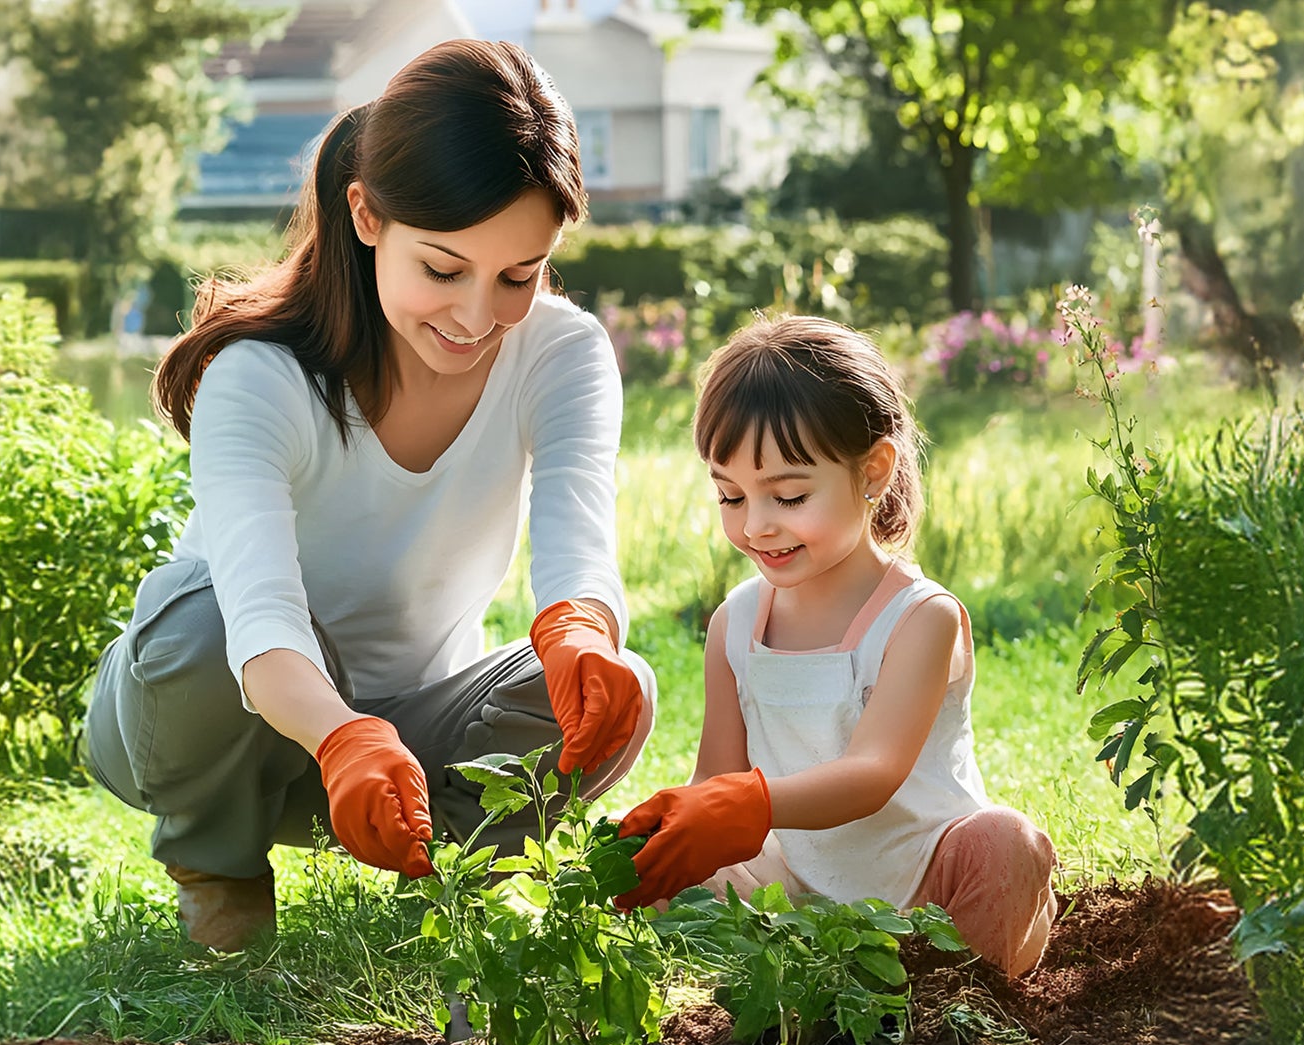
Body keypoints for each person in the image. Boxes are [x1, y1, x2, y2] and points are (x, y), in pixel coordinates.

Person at [83, 39, 655, 952]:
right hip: (219, 723)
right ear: (366, 215)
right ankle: (218, 871)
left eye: (519, 275)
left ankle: (461, 881)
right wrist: (341, 734)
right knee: (199, 622)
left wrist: (583, 631)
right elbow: (261, 625)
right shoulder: (259, 376)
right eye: (443, 269)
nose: (477, 318)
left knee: (613, 684)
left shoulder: (562, 352)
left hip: (414, 741)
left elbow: (576, 547)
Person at [613, 315, 1056, 979]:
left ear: (873, 469)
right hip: (795, 891)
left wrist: (745, 803)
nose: (755, 524)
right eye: (729, 495)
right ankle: (815, 970)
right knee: (656, 866)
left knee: (1004, 844)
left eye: (788, 495)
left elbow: (871, 774)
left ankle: (948, 988)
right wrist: (670, 833)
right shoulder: (735, 623)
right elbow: (717, 785)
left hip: (927, 890)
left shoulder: (919, 617)